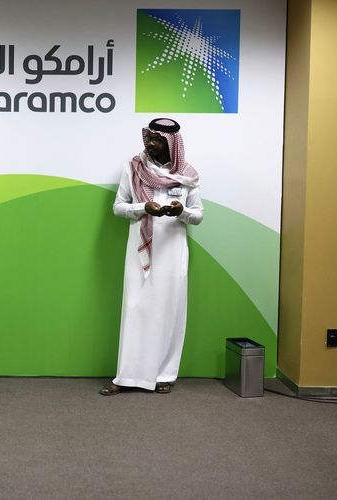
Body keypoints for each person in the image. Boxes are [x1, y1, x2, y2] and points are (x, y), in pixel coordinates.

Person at [100, 118, 203, 396]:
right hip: (140, 250)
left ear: (172, 144)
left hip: (173, 250)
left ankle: (164, 374)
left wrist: (180, 211)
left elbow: (198, 216)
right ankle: (126, 376)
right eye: (149, 138)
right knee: (136, 308)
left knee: (169, 310)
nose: (151, 144)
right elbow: (119, 207)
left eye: (157, 140)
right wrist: (143, 207)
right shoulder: (133, 168)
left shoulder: (188, 175)